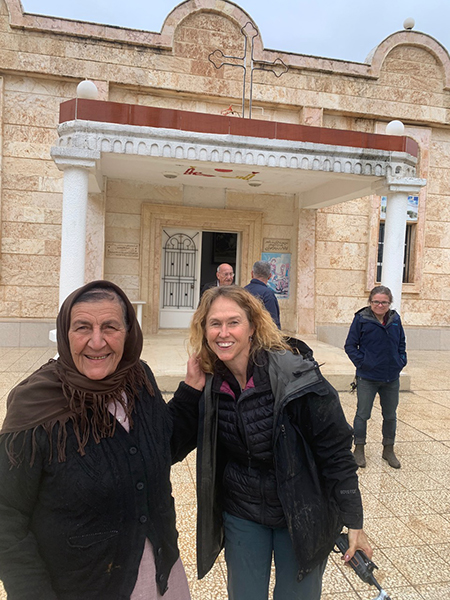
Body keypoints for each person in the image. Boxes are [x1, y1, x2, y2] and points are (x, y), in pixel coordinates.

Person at [0, 280, 203, 600]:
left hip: (161, 576)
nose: (97, 341)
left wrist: (192, 390)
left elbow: (163, 445)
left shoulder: (139, 380)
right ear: (66, 335)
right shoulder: (34, 408)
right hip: (84, 585)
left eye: (110, 327)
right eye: (82, 327)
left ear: (128, 333)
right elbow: (7, 516)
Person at [188, 285, 372, 600]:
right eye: (214, 323)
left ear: (252, 327)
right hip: (243, 508)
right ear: (204, 330)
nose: (223, 332)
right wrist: (188, 392)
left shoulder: (296, 377)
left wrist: (354, 519)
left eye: (233, 322)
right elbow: (173, 441)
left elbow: (336, 452)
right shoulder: (209, 381)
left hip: (301, 508)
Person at [344, 285, 407, 470]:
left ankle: (388, 449)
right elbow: (350, 345)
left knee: (390, 415)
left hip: (391, 377)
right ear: (370, 302)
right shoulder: (361, 319)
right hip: (367, 377)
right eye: (376, 302)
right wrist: (363, 363)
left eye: (384, 302)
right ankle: (359, 449)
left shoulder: (395, 319)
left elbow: (401, 343)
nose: (380, 305)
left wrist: (401, 360)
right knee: (362, 414)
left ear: (390, 303)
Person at [244, 260, 281, 329]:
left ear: (252, 274)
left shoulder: (242, 292)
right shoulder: (268, 294)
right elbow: (273, 323)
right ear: (269, 276)